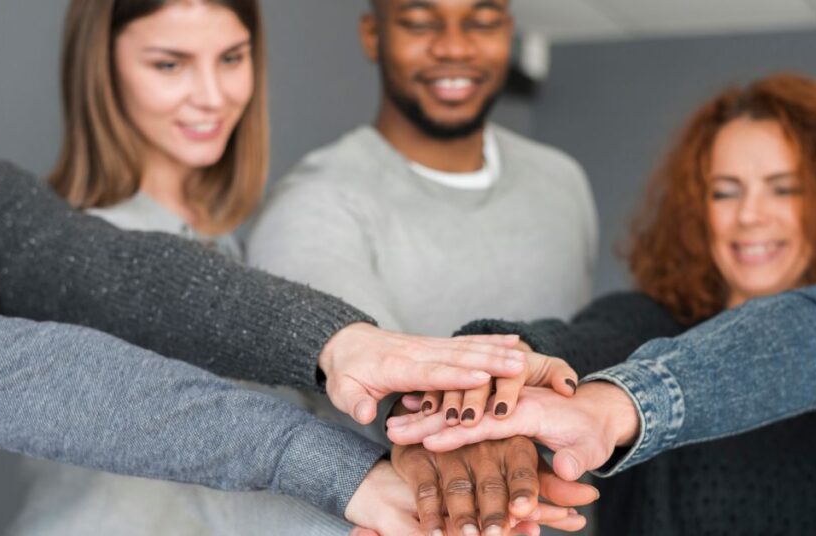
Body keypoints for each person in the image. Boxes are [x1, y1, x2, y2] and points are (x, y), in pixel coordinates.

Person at [3, 1, 585, 534]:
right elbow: (207, 451)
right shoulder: (71, 259)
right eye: (169, 64)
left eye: (231, 58)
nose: (211, 95)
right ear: (102, 72)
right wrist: (396, 497)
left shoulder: (230, 246)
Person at [388, 74, 816, 534]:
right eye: (724, 191)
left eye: (784, 189)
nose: (749, 215)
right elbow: (568, 347)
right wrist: (496, 367)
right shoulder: (646, 326)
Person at [247, 1, 596, 531]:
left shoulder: (563, 183)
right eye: (419, 21)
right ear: (372, 35)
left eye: (481, 21)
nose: (454, 46)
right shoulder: (315, 202)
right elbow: (378, 391)